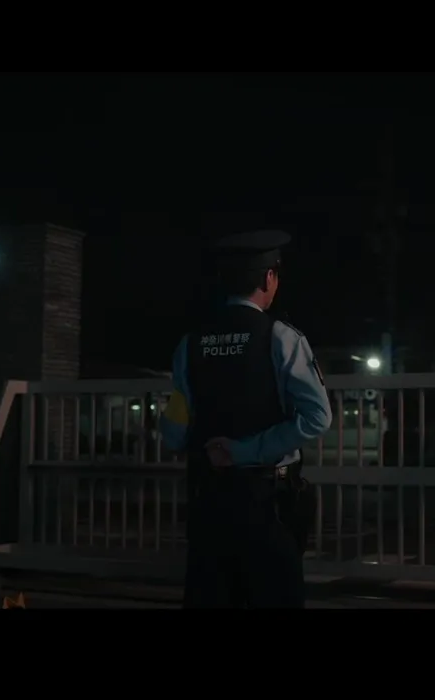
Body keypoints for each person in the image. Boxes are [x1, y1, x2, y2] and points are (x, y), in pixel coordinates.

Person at [159, 230, 332, 609]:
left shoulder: (191, 343)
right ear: (268, 278)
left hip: (209, 503)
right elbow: (317, 417)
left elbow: (173, 432)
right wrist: (244, 451)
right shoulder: (281, 337)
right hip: (266, 505)